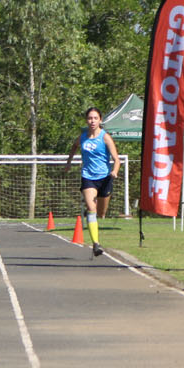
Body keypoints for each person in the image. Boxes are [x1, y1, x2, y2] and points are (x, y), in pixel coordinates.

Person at [64, 106, 121, 256]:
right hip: (88, 176)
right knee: (91, 207)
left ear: (100, 120)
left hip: (104, 177)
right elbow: (74, 146)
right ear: (86, 120)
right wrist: (69, 162)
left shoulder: (105, 137)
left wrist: (114, 171)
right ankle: (96, 244)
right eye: (90, 118)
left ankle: (98, 221)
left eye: (95, 118)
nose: (92, 121)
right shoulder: (82, 137)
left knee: (101, 212)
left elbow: (117, 160)